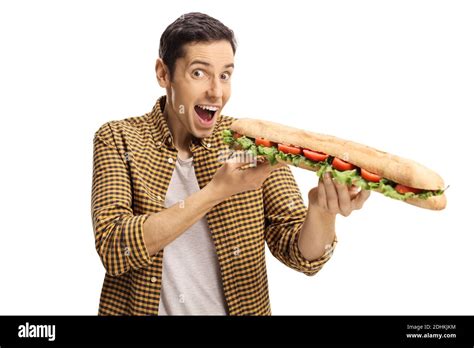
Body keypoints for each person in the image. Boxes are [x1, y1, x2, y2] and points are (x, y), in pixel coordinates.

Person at [91, 12, 370, 316]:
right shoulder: (118, 138)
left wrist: (322, 212)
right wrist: (215, 192)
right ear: (163, 74)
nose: (216, 91)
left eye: (225, 75)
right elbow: (114, 247)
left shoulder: (253, 142)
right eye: (199, 73)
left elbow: (300, 254)